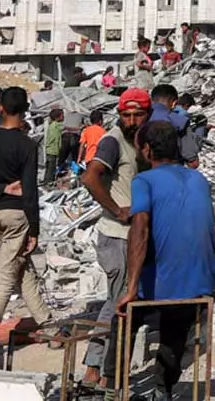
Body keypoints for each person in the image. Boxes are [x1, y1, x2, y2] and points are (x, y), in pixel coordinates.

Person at [118, 121, 215, 399]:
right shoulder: (199, 179)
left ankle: (111, 386)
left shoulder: (144, 180)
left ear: (148, 150)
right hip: (200, 282)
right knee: (175, 330)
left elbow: (140, 228)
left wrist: (131, 288)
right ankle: (163, 389)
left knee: (122, 318)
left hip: (165, 281)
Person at [79, 88, 151, 388]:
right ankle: (96, 367)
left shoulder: (141, 141)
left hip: (133, 234)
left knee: (120, 299)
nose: (132, 120)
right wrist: (117, 210)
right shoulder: (113, 141)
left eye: (137, 115)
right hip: (117, 235)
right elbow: (90, 177)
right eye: (126, 115)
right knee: (118, 301)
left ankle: (103, 368)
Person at [0, 86, 50, 333]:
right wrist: (34, 229)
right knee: (6, 274)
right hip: (17, 215)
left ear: (1, 108)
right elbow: (30, 191)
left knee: (20, 266)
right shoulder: (27, 145)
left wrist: (1, 188)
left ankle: (47, 322)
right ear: (25, 110)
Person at [42, 108, 65, 185]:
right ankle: (49, 183)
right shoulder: (57, 125)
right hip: (53, 150)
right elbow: (66, 128)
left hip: (49, 150)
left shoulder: (51, 125)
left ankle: (46, 181)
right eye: (62, 116)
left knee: (48, 168)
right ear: (57, 117)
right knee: (52, 168)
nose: (64, 117)